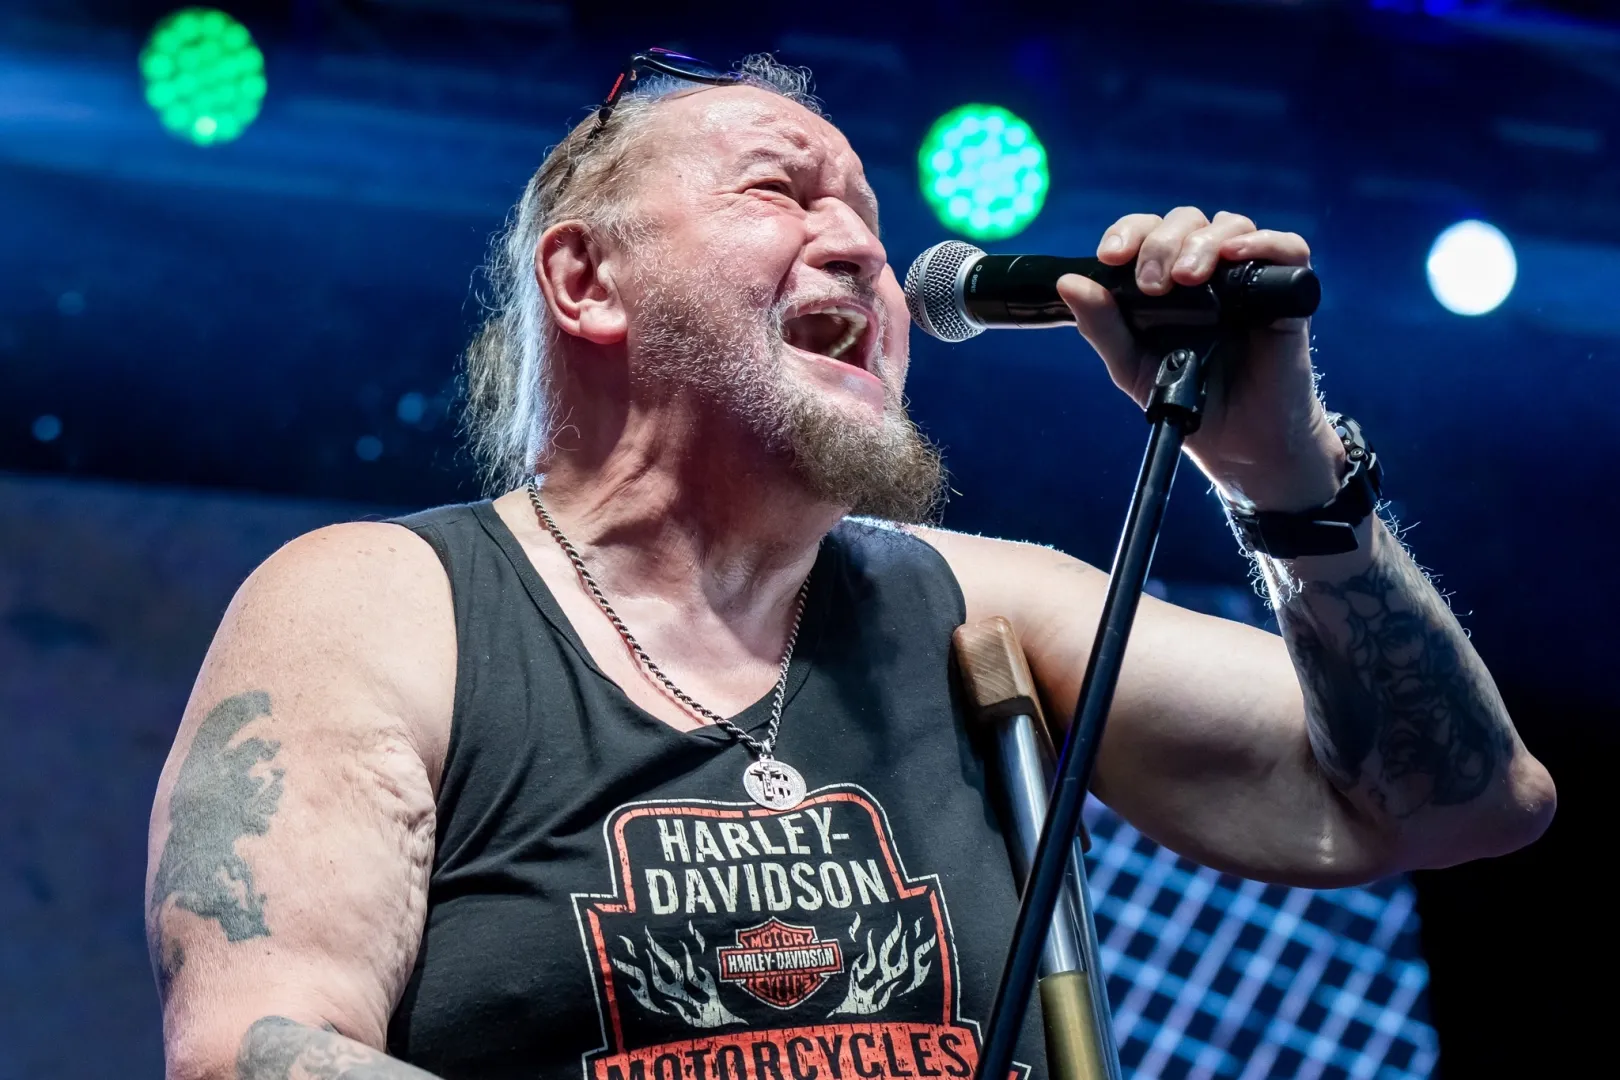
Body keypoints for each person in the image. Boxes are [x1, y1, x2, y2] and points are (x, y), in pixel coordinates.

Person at [146, 53, 1555, 1080]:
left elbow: (1458, 805)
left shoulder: (969, 603)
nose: (869, 257)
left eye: (874, 227)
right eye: (784, 192)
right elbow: (253, 1054)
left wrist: (1281, 473)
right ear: (585, 282)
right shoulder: (385, 604)